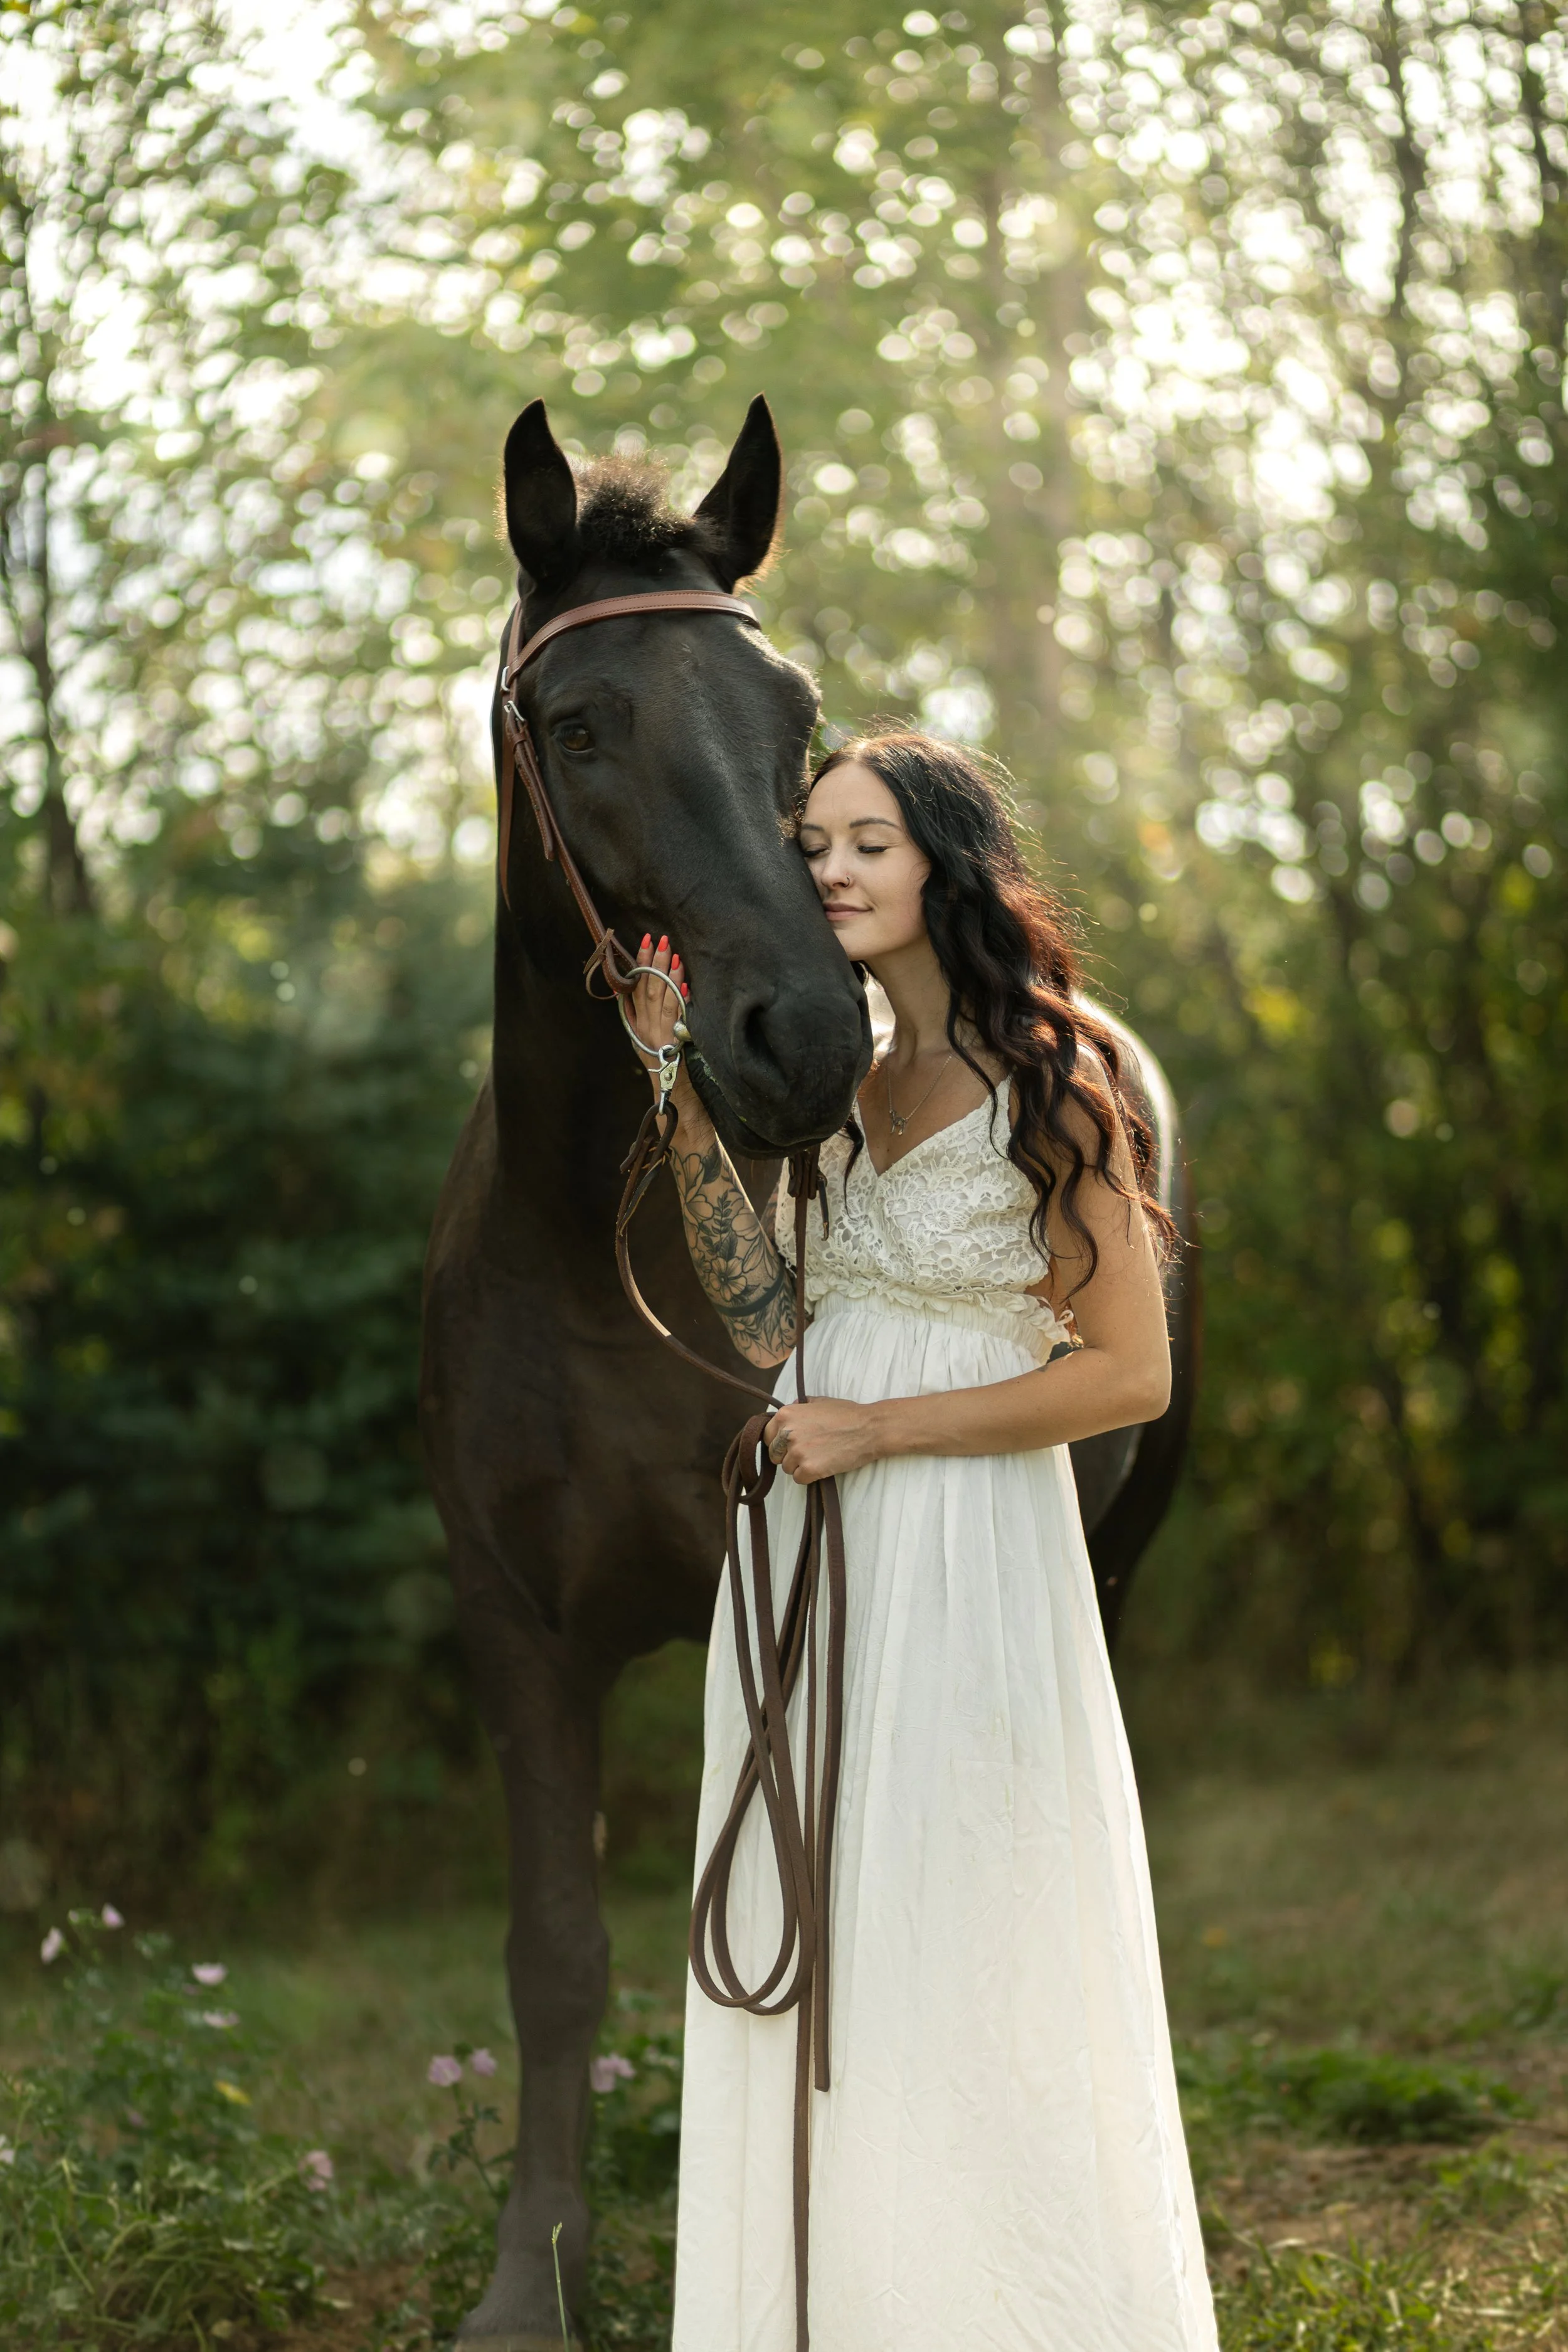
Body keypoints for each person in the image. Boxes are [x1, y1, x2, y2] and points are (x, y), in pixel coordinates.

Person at [625, 731, 1217, 2352]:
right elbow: (759, 1311)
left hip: (957, 1528)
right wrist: (676, 1079)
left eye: (863, 841)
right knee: (819, 1899)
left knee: (951, 1893)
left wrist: (879, 1429)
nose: (827, 869)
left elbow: (1125, 1373)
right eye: (810, 842)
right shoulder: (840, 1078)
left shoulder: (1056, 1087)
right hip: (811, 1528)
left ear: (942, 865)